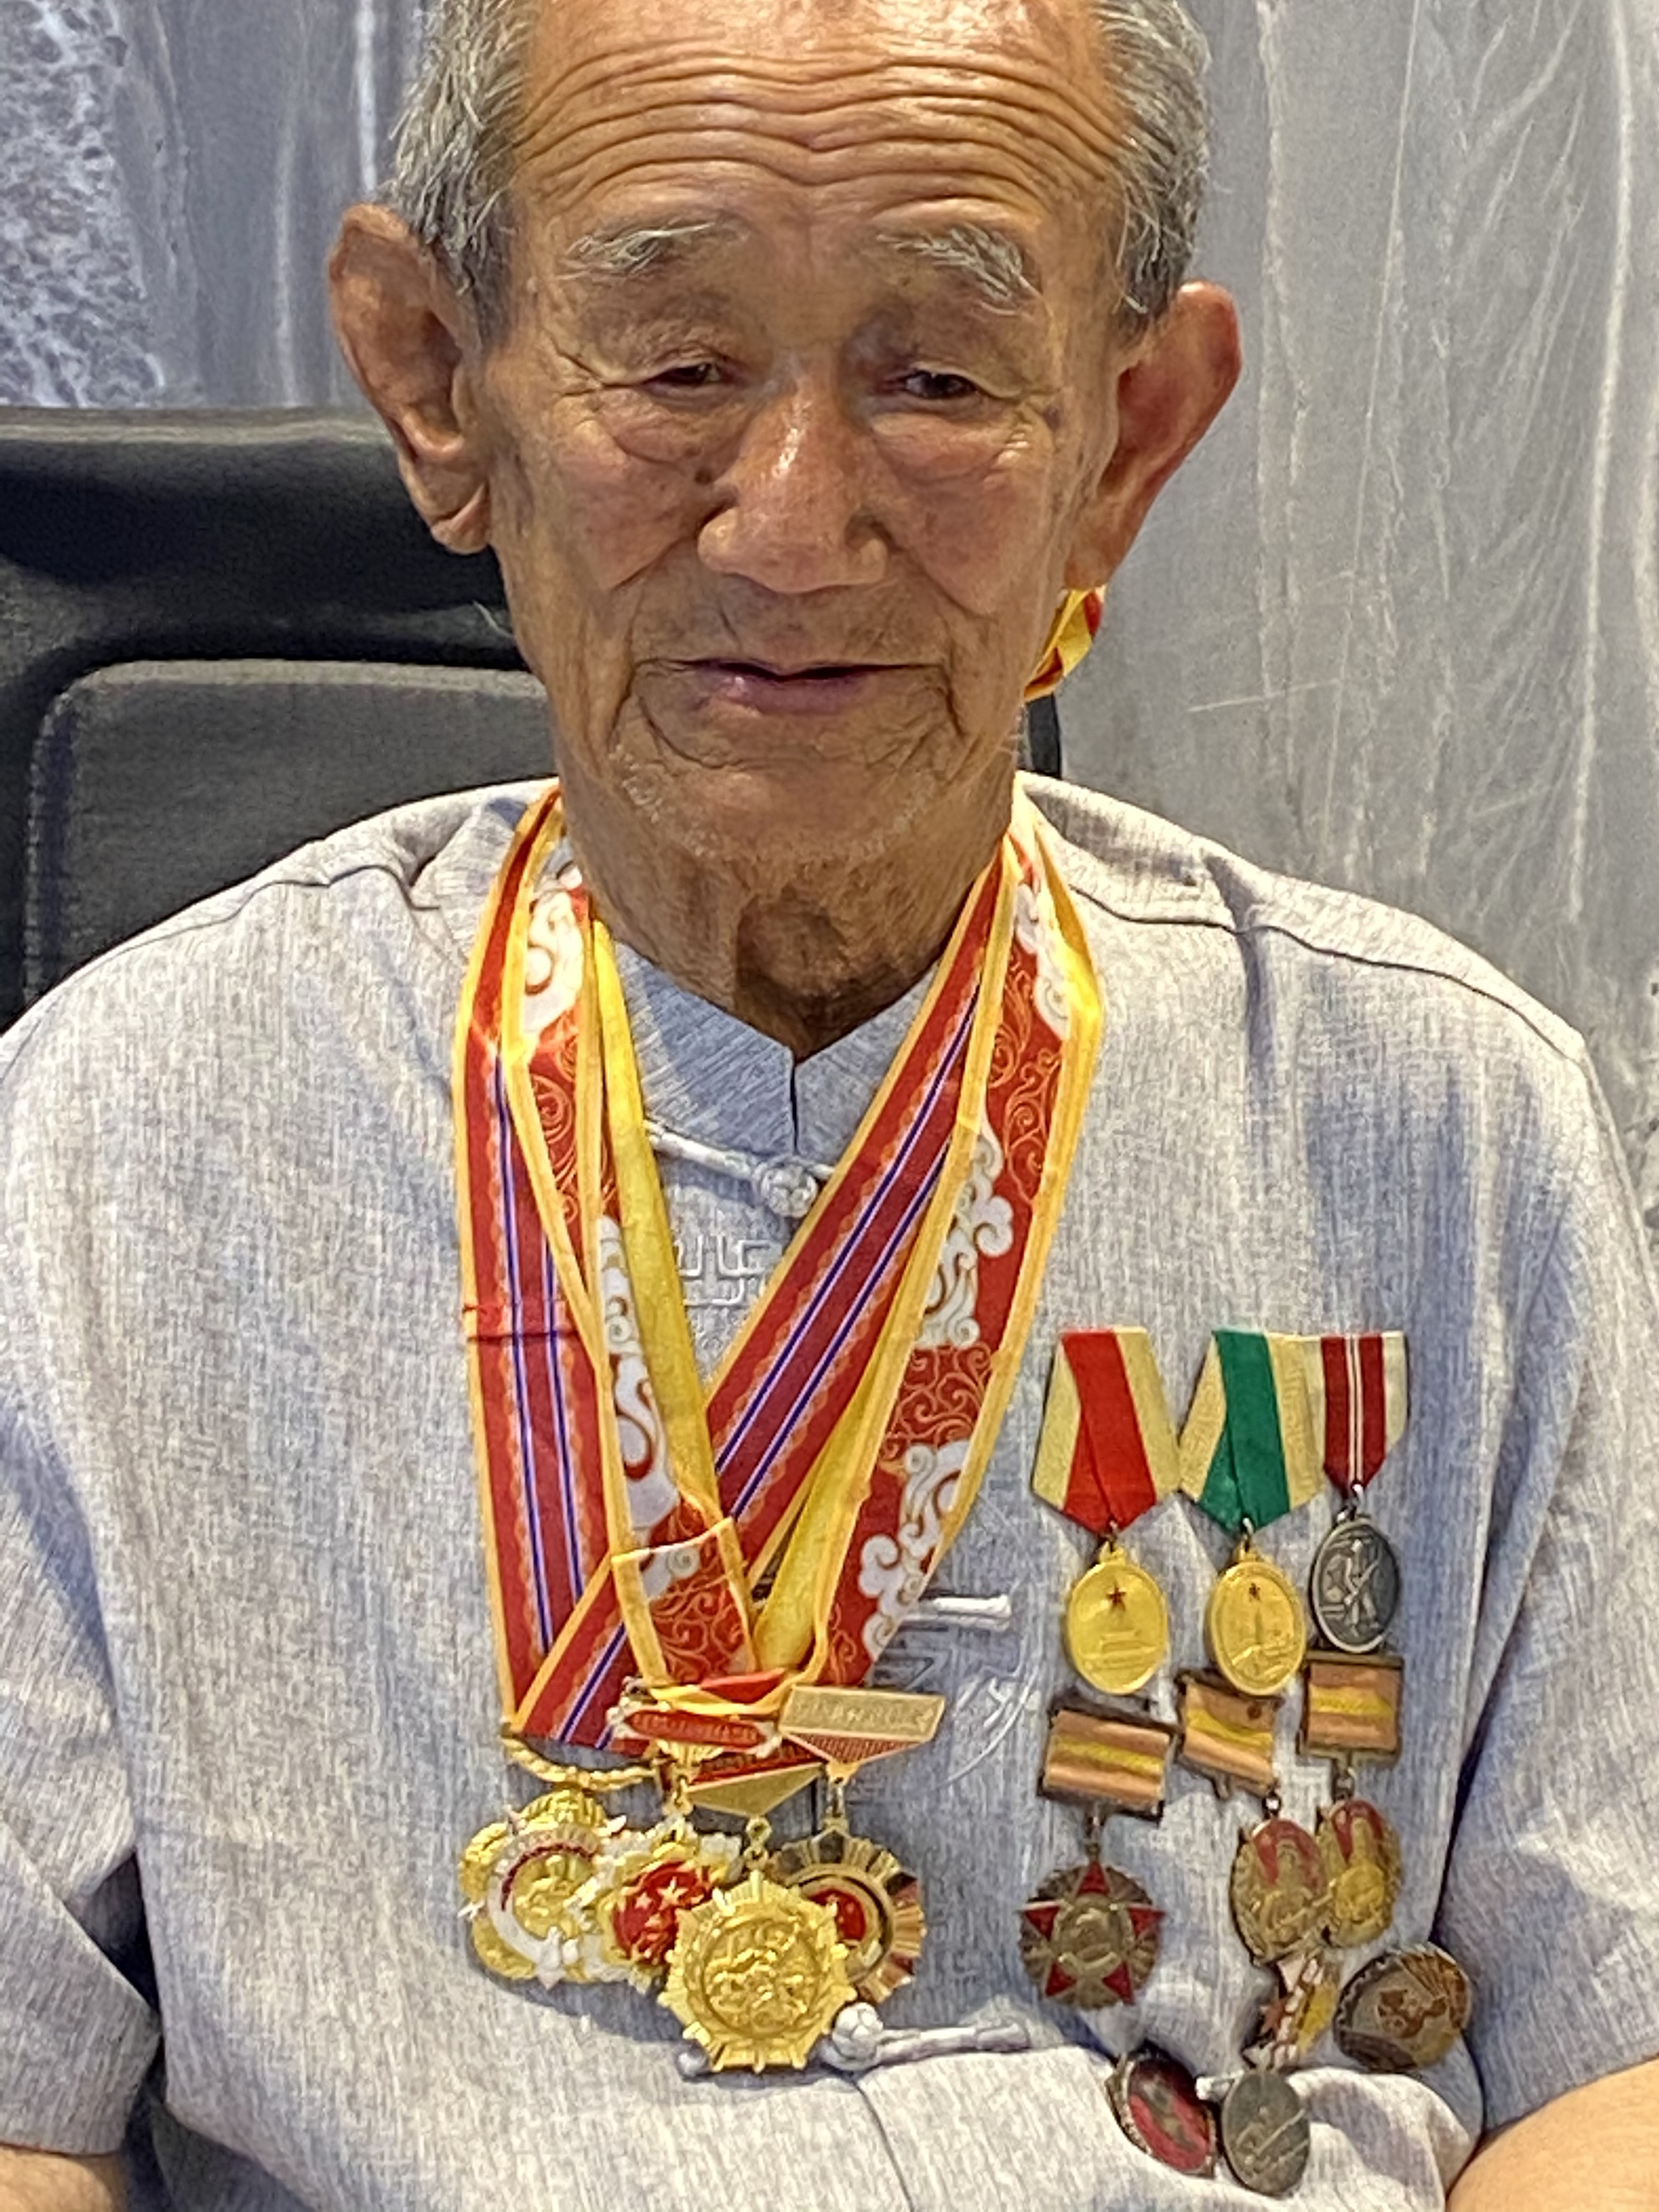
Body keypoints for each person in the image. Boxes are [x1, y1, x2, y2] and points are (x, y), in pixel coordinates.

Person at [3, 0, 1657, 2203]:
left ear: (1131, 438)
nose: (791, 531)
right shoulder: (112, 1147)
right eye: (679, 366)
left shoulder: (1446, 1124)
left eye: (941, 377)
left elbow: (1609, 2054)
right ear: (437, 381)